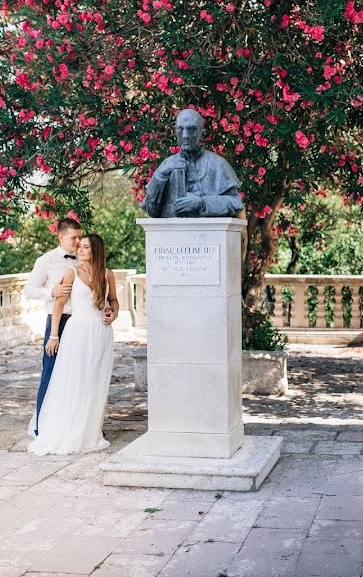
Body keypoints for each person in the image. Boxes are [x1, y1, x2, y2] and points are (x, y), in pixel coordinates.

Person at [28, 234, 119, 455]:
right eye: (81, 247)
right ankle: (68, 428)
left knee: (95, 381)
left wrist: (112, 314)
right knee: (74, 380)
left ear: (96, 250)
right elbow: (58, 307)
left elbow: (113, 301)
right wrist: (54, 335)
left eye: (86, 247)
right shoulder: (72, 273)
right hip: (77, 332)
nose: (80, 250)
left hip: (101, 332)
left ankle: (89, 430)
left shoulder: (107, 275)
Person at [23, 217, 82, 436]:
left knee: (75, 374)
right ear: (61, 237)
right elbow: (29, 290)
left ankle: (72, 424)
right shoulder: (46, 260)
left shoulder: (84, 259)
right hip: (57, 322)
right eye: (73, 238)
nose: (77, 242)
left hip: (81, 323)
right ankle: (41, 426)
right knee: (50, 371)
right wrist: (51, 293)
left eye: (79, 237)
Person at [140, 108, 244, 218]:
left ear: (202, 134)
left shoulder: (218, 164)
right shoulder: (166, 166)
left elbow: (235, 204)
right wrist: (159, 177)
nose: (185, 135)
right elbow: (151, 211)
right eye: (180, 129)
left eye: (192, 129)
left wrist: (202, 203)